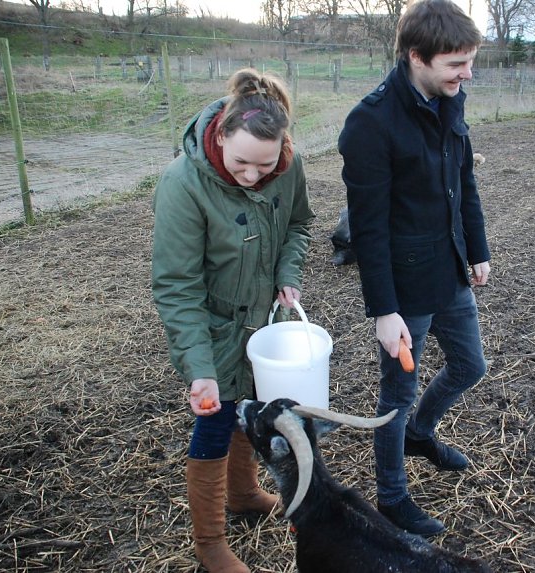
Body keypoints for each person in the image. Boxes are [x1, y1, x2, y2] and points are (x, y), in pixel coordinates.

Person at [151, 68, 314, 572]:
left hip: (263, 324)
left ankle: (244, 495)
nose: (252, 175)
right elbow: (177, 286)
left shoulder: (287, 166)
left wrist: (287, 272)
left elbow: (298, 225)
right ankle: (211, 545)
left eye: (264, 166)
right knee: (216, 420)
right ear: (220, 133)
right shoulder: (183, 184)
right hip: (215, 328)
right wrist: (198, 366)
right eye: (241, 162)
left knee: (252, 410)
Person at [337, 0, 490, 538]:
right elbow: (368, 229)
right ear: (416, 56)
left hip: (448, 269)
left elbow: (462, 182)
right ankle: (392, 498)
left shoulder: (451, 100)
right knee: (396, 396)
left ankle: (421, 434)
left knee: (472, 366)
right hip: (404, 286)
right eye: (456, 64)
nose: (467, 74)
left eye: (470, 61)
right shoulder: (371, 123)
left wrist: (477, 248)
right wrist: (384, 310)